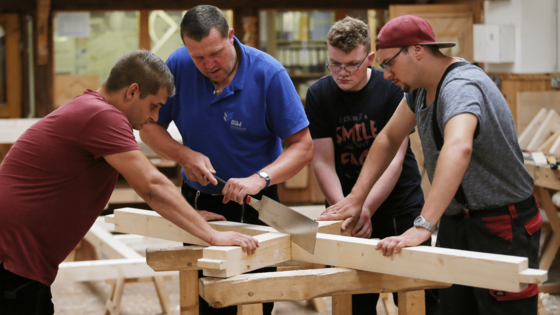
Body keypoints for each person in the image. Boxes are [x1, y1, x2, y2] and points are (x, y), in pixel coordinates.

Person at [0, 50, 259, 315]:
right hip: (12, 257)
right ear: (132, 92)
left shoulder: (92, 109)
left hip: (20, 257)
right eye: (155, 105)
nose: (156, 117)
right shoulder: (103, 116)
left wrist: (189, 217)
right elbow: (151, 186)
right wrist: (213, 236)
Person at [317, 14, 541, 315]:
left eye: (389, 64)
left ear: (417, 50)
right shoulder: (418, 90)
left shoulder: (461, 85)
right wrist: (356, 199)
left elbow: (458, 147)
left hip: (500, 221)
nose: (385, 75)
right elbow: (386, 139)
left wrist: (423, 224)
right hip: (457, 220)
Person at [139, 5, 313, 315]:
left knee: (253, 302)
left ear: (231, 36)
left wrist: (259, 178)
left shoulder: (269, 74)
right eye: (198, 57)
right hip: (199, 205)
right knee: (206, 301)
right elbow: (149, 127)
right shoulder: (178, 65)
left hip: (257, 205)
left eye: (215, 53)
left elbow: (302, 146)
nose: (208, 64)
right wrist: (183, 154)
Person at [305, 16, 438, 315]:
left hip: (397, 206)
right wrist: (345, 211)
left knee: (417, 296)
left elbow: (394, 156)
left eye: (351, 64)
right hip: (346, 210)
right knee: (353, 300)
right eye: (334, 63)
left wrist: (365, 207)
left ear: (370, 58)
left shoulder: (392, 88)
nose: (342, 72)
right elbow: (322, 160)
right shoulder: (319, 94)